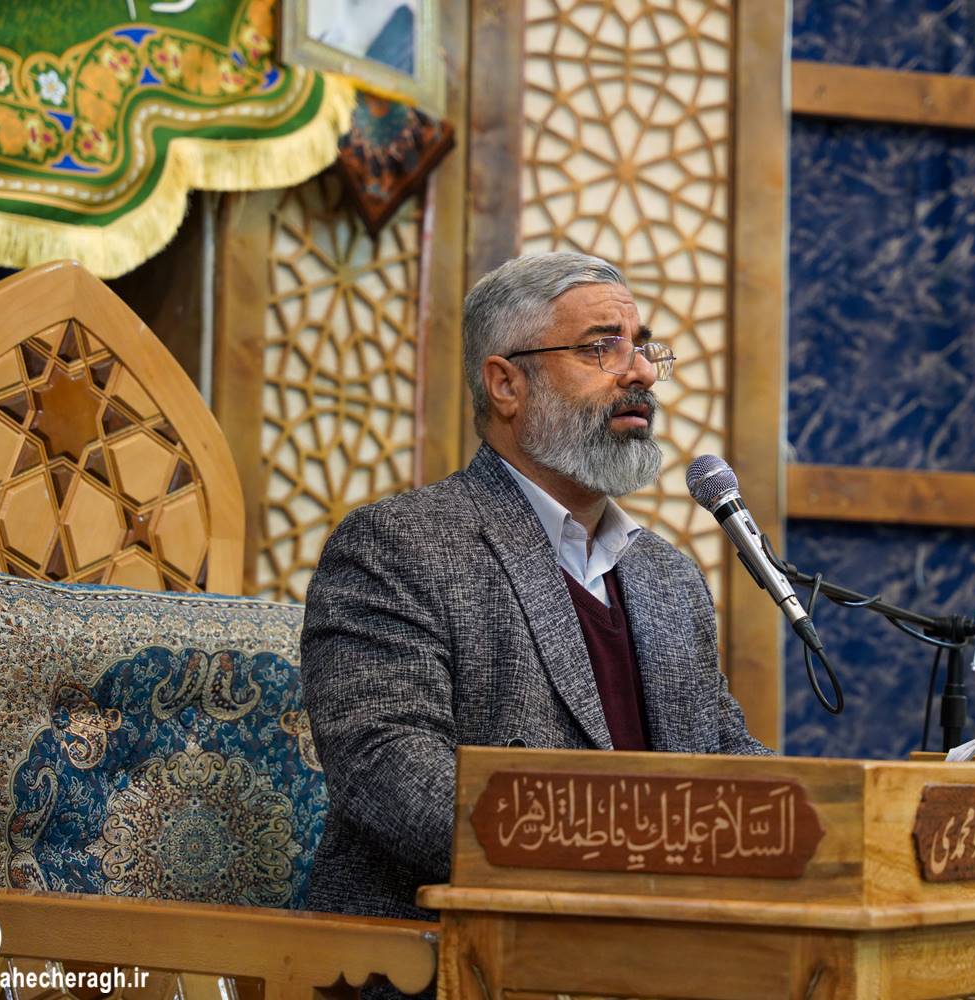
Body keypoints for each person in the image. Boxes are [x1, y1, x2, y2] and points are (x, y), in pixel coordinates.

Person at [301, 250, 771, 928]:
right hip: (452, 952)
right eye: (601, 349)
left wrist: (818, 819)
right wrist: (618, 864)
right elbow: (391, 776)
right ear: (506, 385)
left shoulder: (667, 577)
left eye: (641, 346)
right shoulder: (399, 546)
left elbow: (724, 758)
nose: (641, 372)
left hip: (662, 946)